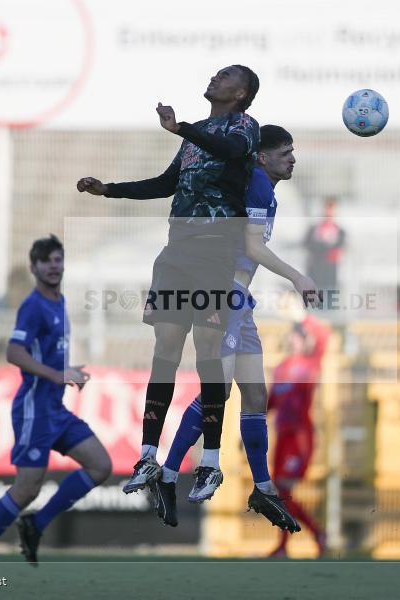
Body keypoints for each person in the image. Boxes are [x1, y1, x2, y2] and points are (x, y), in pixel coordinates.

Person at [78, 66, 307, 501]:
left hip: (214, 252)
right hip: (176, 249)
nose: (213, 79)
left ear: (240, 93)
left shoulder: (245, 129)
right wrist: (108, 189)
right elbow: (166, 184)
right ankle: (147, 455)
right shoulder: (196, 133)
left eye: (223, 77)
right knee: (164, 349)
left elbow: (227, 148)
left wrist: (180, 127)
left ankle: (208, 462)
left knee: (207, 352)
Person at [149, 125, 314, 533]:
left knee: (255, 393)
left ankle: (262, 488)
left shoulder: (264, 188)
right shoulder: (256, 183)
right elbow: (253, 248)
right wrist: (297, 276)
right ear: (263, 157)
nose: (292, 159)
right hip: (223, 296)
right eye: (285, 153)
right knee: (217, 392)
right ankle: (168, 474)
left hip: (241, 301)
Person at [0, 235, 110, 590]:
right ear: (34, 268)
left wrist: (70, 370)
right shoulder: (34, 305)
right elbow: (14, 351)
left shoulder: (60, 301)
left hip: (55, 409)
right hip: (34, 412)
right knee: (26, 489)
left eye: (58, 259)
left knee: (100, 465)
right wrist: (57, 374)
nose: (54, 265)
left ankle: (36, 525)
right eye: (46, 261)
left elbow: (47, 351)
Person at [267, 314, 331, 557]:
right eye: (293, 335)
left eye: (299, 335)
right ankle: (309, 536)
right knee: (279, 491)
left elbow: (325, 336)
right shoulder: (282, 368)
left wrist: (303, 317)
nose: (295, 339)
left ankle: (297, 540)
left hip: (300, 436)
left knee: (283, 488)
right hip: (282, 435)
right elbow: (271, 402)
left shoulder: (311, 364)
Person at [304, 198, 346, 298]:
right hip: (315, 273)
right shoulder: (314, 229)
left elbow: (338, 248)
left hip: (331, 275)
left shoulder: (340, 232)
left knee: (329, 302)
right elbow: (308, 244)